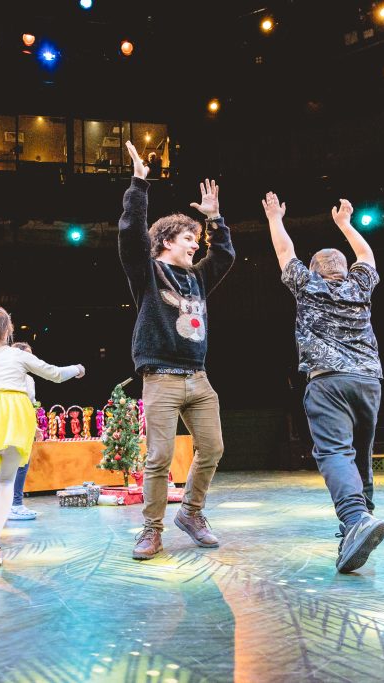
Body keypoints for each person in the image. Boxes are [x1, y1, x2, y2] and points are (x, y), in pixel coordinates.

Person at [119, 140, 235, 561]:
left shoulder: (198, 279)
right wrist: (139, 185)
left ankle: (191, 512)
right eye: (190, 237)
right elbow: (131, 234)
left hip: (198, 378)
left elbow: (224, 254)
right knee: (160, 456)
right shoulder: (148, 272)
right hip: (162, 377)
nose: (196, 243)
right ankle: (151, 530)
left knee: (214, 448)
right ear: (167, 240)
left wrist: (215, 219)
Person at [262, 192, 384, 573]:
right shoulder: (359, 286)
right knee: (360, 454)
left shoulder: (308, 285)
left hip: (328, 382)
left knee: (335, 453)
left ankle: (355, 520)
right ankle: (357, 521)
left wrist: (274, 218)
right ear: (344, 270)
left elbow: (285, 252)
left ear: (315, 271)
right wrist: (346, 225)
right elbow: (367, 257)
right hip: (368, 381)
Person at [0, 307, 84, 572]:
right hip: (16, 416)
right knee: (5, 483)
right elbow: (55, 374)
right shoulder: (17, 355)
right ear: (7, 330)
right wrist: (77, 369)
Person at [7, 342, 40, 521]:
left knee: (22, 465)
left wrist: (34, 426)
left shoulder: (29, 380)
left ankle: (16, 504)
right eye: (27, 356)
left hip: (24, 425)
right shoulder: (8, 376)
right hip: (8, 424)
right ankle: (12, 504)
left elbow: (29, 404)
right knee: (4, 466)